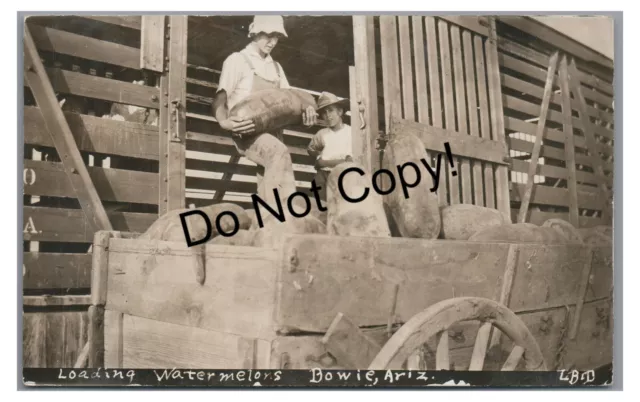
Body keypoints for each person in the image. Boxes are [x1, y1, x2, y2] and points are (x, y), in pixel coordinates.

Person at [212, 15, 317, 212]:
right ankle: (284, 215)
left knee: (268, 175)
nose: (273, 42)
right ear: (254, 33)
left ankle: (266, 227)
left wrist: (306, 114)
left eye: (277, 36)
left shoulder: (276, 67)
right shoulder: (237, 60)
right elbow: (221, 97)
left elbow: (288, 100)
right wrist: (224, 122)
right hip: (247, 130)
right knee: (278, 152)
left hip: (273, 131)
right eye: (268, 35)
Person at [306, 91, 353, 202]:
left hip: (342, 174)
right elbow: (311, 149)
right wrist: (318, 157)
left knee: (340, 204)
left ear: (340, 111)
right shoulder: (322, 133)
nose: (328, 116)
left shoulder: (350, 132)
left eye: (331, 111)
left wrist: (323, 162)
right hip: (323, 175)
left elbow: (350, 161)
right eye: (324, 112)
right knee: (320, 204)